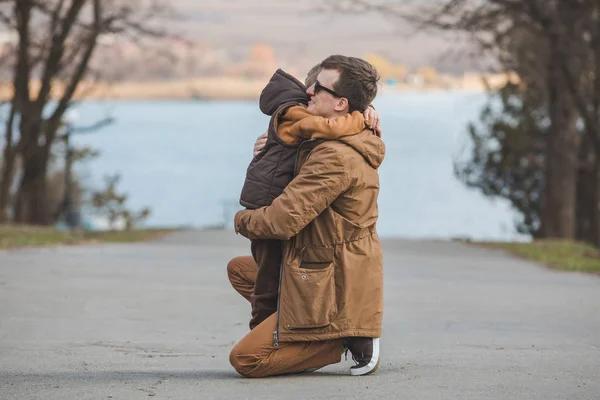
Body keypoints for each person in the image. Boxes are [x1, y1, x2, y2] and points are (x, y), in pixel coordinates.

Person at [229, 55, 385, 378]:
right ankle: (299, 334)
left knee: (246, 359)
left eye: (318, 88)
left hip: (330, 284)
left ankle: (331, 341)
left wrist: (242, 220)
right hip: (319, 268)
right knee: (241, 271)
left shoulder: (334, 157)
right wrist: (271, 148)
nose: (308, 91)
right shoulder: (330, 138)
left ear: (341, 104)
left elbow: (282, 221)